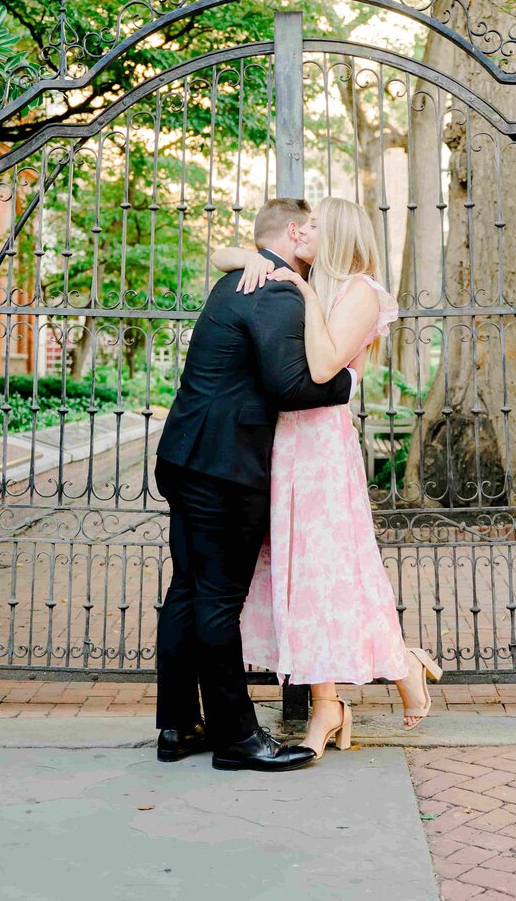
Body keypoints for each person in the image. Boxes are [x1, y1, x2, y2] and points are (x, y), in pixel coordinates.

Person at [212, 196, 442, 760]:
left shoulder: (360, 292)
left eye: (314, 225)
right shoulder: (304, 277)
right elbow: (218, 253)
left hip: (320, 449)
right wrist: (255, 258)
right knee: (296, 577)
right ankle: (331, 701)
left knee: (330, 572)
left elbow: (320, 369)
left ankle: (383, 672)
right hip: (282, 444)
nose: (303, 231)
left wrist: (306, 293)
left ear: (334, 234)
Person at [153, 197, 358, 772]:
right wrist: (348, 381)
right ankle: (237, 740)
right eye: (313, 226)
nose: (321, 234)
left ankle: (179, 726)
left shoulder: (239, 277)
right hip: (224, 467)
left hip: (187, 454)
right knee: (218, 600)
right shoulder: (274, 289)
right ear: (294, 233)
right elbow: (289, 385)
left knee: (189, 591)